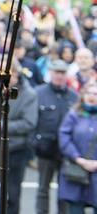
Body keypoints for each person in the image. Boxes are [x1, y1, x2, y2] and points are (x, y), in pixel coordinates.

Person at [0, 59, 39, 214]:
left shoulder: (29, 94)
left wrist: (1, 126)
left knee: (12, 194)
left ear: (16, 74)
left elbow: (29, 123)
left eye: (4, 75)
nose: (0, 78)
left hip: (16, 150)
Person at [34, 59, 78, 214]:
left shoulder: (73, 96)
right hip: (45, 149)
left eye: (62, 73)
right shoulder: (39, 92)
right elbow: (33, 121)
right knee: (43, 188)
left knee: (65, 191)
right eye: (56, 72)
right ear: (50, 73)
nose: (59, 76)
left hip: (66, 150)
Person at [58, 79, 97, 213]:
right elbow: (64, 137)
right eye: (89, 93)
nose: (92, 97)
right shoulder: (74, 115)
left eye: (96, 94)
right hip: (76, 171)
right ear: (83, 95)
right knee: (75, 208)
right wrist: (78, 159)